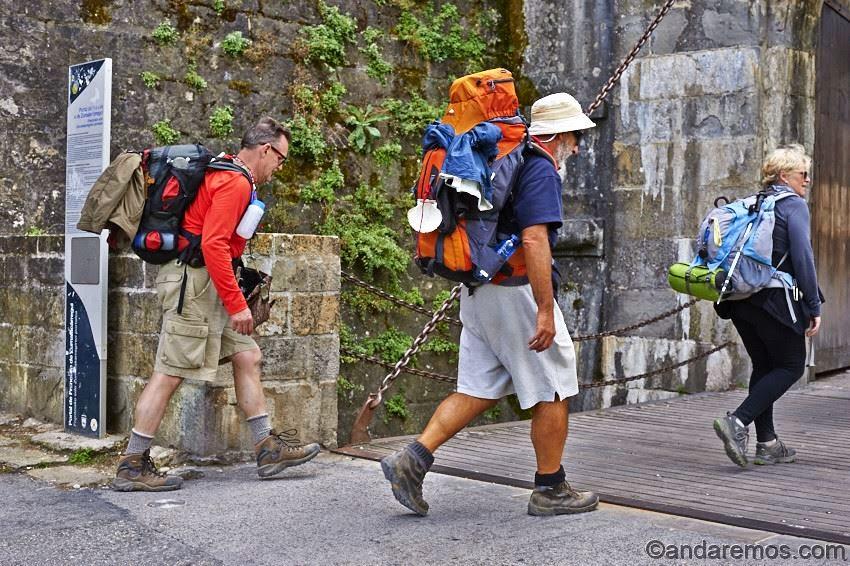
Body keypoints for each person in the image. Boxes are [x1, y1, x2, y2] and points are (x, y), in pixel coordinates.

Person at [381, 93, 599, 516]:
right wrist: (543, 309)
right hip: (515, 292)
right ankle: (551, 489)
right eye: (573, 136)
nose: (576, 145)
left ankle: (411, 460)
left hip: (479, 290)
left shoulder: (506, 161)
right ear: (554, 135)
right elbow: (535, 240)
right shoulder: (538, 168)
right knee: (553, 387)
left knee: (477, 389)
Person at [113, 117, 320, 492]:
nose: (280, 167)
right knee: (171, 371)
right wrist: (239, 305)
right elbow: (213, 245)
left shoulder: (228, 170)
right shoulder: (235, 181)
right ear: (265, 150)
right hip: (192, 285)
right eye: (281, 159)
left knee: (247, 356)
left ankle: (266, 447)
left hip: (205, 283)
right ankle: (132, 463)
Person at [712, 144, 822, 468]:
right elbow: (803, 257)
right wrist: (813, 304)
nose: (807, 179)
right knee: (791, 365)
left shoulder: (754, 203)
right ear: (785, 175)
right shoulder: (793, 206)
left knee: (764, 365)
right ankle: (738, 421)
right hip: (773, 298)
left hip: (741, 299)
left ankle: (768, 444)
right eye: (803, 173)